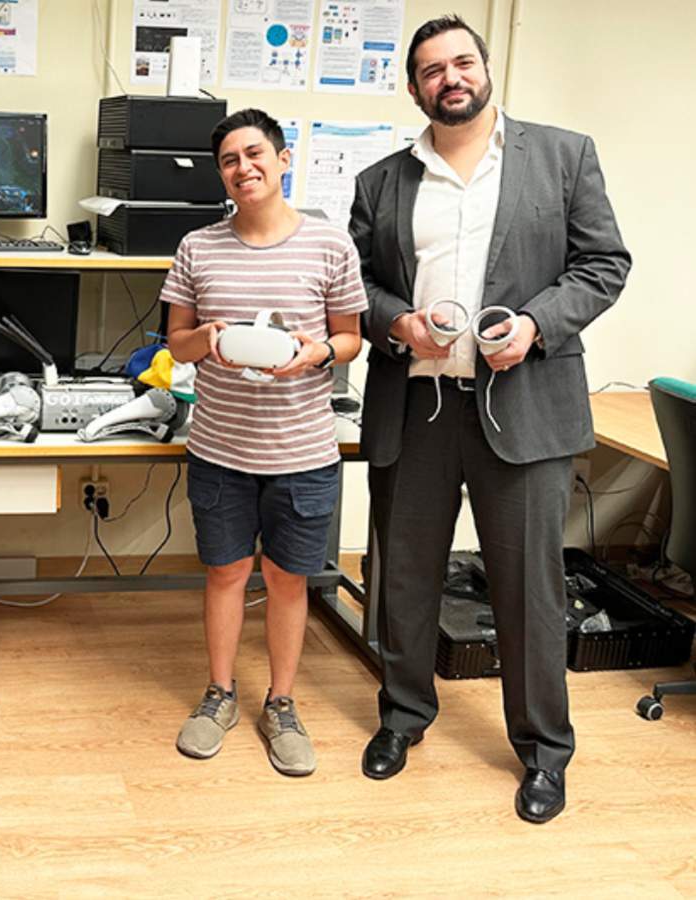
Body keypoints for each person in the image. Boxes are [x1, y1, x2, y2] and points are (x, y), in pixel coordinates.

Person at [348, 15, 630, 823]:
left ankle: (544, 753)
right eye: (433, 70)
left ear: (484, 68)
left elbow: (604, 264)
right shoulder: (381, 181)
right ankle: (404, 716)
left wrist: (537, 325)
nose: (451, 78)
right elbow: (355, 282)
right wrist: (399, 322)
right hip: (419, 406)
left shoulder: (562, 156)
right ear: (414, 89)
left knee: (529, 590)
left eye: (462, 62)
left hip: (526, 407)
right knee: (405, 577)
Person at [162, 108, 366, 776]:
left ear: (282, 159)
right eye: (229, 160)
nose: (243, 168)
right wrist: (207, 339)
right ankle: (220, 693)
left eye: (254, 154)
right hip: (220, 449)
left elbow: (350, 338)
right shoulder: (198, 247)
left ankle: (281, 703)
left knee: (286, 578)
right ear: (220, 175)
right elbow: (177, 343)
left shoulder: (330, 244)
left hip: (302, 452)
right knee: (225, 573)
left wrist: (316, 353)